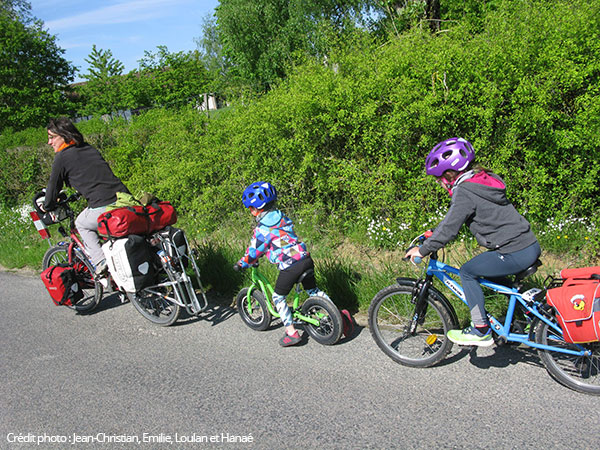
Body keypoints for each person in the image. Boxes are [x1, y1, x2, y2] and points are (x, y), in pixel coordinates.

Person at [405, 137, 541, 347]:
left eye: (439, 178)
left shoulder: (465, 191)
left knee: (468, 272)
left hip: (514, 250)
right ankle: (518, 319)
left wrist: (422, 251)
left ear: (449, 174)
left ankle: (480, 330)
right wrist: (435, 232)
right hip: (527, 244)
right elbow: (456, 219)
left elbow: (451, 228)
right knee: (490, 273)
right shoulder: (481, 180)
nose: (439, 183)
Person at [234, 181, 330, 347]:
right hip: (305, 258)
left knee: (278, 297)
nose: (250, 211)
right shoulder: (283, 218)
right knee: (313, 290)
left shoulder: (263, 230)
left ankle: (291, 332)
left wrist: (242, 264)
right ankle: (336, 315)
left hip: (290, 266)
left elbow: (253, 253)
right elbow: (282, 239)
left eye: (250, 208)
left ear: (256, 209)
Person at [43, 117, 130, 275]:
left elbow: (52, 187)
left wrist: (47, 205)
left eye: (52, 137)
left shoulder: (61, 157)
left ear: (64, 135)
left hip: (104, 204)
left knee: (81, 223)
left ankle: (101, 261)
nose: (49, 142)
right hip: (125, 198)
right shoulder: (88, 148)